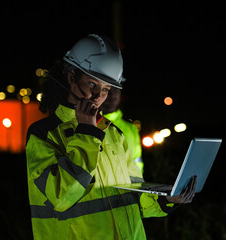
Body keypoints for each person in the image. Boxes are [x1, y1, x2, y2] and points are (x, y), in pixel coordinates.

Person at [26, 34, 196, 240]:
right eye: (92, 84)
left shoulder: (114, 133)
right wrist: (87, 133)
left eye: (106, 88)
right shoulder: (44, 134)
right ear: (71, 77)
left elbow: (133, 196)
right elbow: (61, 197)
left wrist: (167, 199)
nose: (99, 96)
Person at [101, 86, 144, 176]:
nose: (113, 94)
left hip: (128, 188)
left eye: (116, 89)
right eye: (108, 89)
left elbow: (137, 161)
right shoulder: (89, 123)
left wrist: (136, 187)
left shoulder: (131, 128)